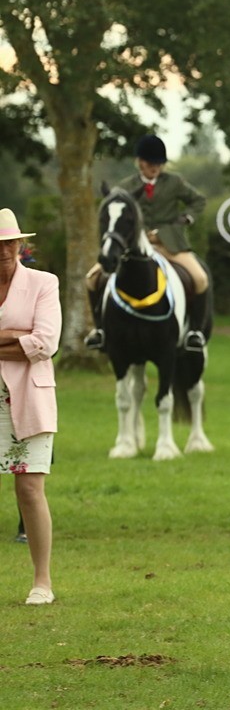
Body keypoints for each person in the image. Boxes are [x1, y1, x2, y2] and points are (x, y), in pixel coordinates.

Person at [85, 134, 211, 351]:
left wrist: (186, 218)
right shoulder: (125, 187)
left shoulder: (175, 182)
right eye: (151, 163)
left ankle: (195, 332)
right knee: (92, 278)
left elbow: (198, 200)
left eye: (159, 163)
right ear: (139, 162)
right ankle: (100, 330)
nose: (155, 167)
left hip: (169, 244)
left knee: (200, 279)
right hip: (135, 247)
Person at [0, 208, 60, 605]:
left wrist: (19, 339)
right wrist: (15, 336)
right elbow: (29, 340)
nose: (3, 251)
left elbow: (45, 343)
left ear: (22, 244)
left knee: (30, 488)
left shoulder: (43, 283)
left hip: (28, 397)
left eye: (9, 243)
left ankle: (43, 582)